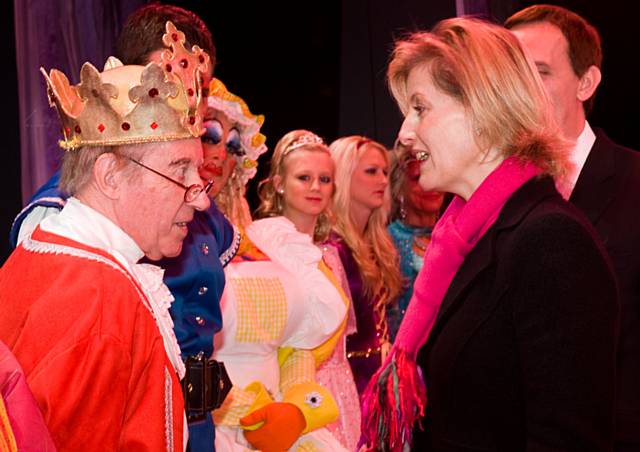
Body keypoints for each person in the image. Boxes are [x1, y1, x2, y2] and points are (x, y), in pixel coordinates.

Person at [360, 17, 618, 451]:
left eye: (420, 108)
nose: (404, 133)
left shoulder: (550, 239)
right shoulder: (465, 235)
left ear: (485, 108)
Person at [8, 6, 237, 449]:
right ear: (109, 175)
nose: (202, 196)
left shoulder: (59, 258)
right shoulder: (97, 299)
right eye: (179, 170)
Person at [505, 7, 640, 450]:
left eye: (540, 72)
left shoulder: (634, 182)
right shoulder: (484, 197)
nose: (521, 88)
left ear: (586, 82)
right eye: (511, 73)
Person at [212, 130, 349, 451]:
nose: (218, 154)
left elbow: (296, 344)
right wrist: (241, 407)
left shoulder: (287, 250)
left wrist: (298, 408)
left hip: (281, 413)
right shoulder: (266, 238)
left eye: (231, 145)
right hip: (217, 421)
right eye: (207, 137)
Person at [327, 136, 403, 395]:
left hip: (379, 380)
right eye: (371, 172)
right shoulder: (333, 248)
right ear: (344, 177)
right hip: (349, 384)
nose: (383, 180)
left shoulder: (378, 245)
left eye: (384, 172)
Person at [387, 147, 445, 340]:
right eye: (416, 178)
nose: (429, 186)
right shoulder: (385, 241)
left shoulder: (454, 235)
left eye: (434, 175)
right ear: (398, 188)